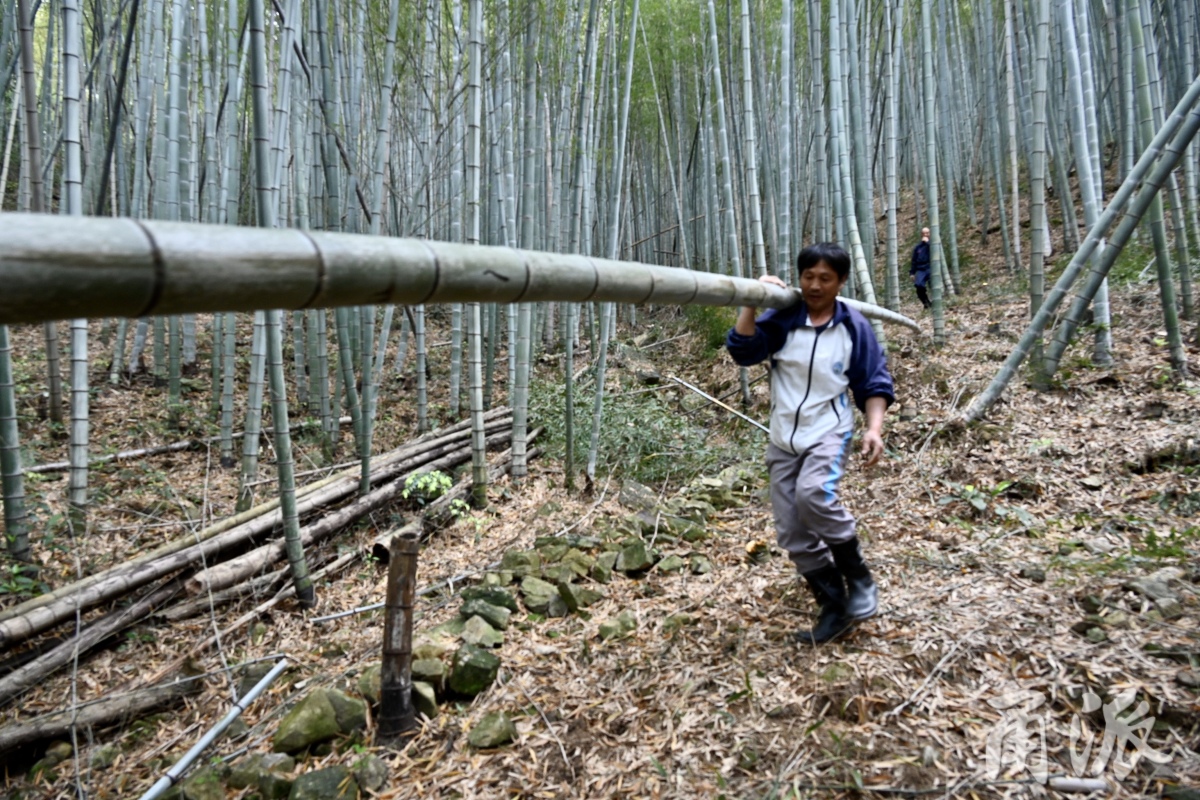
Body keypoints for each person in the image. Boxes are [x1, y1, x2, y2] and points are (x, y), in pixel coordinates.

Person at [725, 243, 894, 645]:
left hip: (828, 432)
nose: (815, 286)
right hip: (783, 437)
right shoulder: (784, 316)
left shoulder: (854, 326)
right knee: (791, 532)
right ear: (799, 277)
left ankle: (860, 580)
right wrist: (751, 300)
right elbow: (744, 350)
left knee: (814, 494)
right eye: (808, 277)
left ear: (841, 282)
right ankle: (834, 604)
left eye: (825, 278)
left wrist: (874, 428)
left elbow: (872, 381)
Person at [910, 227, 932, 310]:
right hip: (921, 269)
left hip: (931, 267)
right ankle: (926, 303)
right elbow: (914, 260)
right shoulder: (918, 247)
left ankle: (937, 303)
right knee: (918, 285)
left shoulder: (932, 244)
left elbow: (936, 252)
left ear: (929, 234)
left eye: (927, 233)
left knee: (934, 285)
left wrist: (928, 243)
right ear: (921, 235)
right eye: (923, 233)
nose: (925, 235)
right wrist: (912, 273)